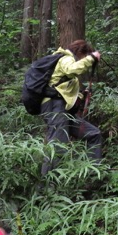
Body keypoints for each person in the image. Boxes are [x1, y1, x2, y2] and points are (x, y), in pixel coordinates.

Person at [40, 40, 103, 176]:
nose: (84, 60)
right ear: (81, 52)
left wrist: (81, 96)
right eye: (84, 56)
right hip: (53, 106)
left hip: (62, 109)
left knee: (94, 134)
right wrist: (92, 58)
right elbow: (72, 69)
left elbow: (65, 92)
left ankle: (93, 174)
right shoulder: (65, 58)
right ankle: (47, 187)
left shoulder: (66, 62)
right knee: (58, 145)